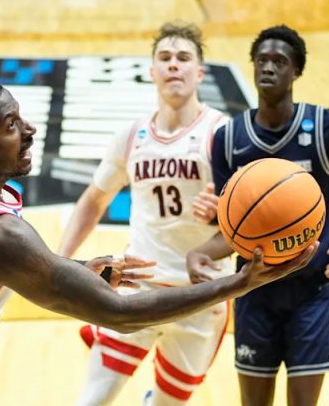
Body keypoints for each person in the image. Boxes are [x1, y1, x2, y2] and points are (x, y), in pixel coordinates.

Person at [0, 73, 317, 405]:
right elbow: (117, 314)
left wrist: (74, 271)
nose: (31, 130)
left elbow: (1, 271)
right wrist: (243, 282)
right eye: (11, 126)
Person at [187, 25, 329, 406]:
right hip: (253, 289)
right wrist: (200, 252)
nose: (268, 67)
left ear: (296, 71)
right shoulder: (229, 139)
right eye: (261, 60)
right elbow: (234, 230)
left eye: (279, 61)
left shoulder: (326, 127)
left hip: (313, 288)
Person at [57, 22, 232, 406]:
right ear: (151, 72)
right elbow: (94, 199)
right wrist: (60, 262)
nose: (174, 65)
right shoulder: (132, 134)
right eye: (165, 58)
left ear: (199, 72)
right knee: (92, 400)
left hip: (200, 296)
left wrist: (224, 216)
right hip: (138, 287)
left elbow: (252, 220)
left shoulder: (224, 134)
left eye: (184, 58)